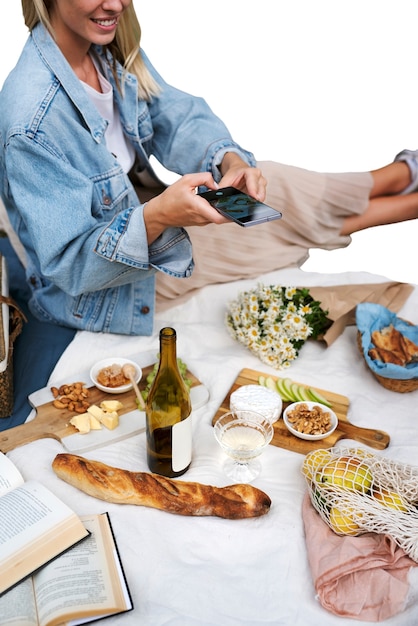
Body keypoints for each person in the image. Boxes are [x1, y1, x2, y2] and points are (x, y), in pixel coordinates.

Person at [1, 0, 418, 335]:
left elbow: (173, 114)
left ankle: (395, 176)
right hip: (107, 282)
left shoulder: (103, 49)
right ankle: (407, 198)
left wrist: (227, 158)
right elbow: (73, 265)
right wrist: (159, 217)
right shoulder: (30, 123)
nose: (117, 4)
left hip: (134, 209)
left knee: (266, 180)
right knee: (265, 228)